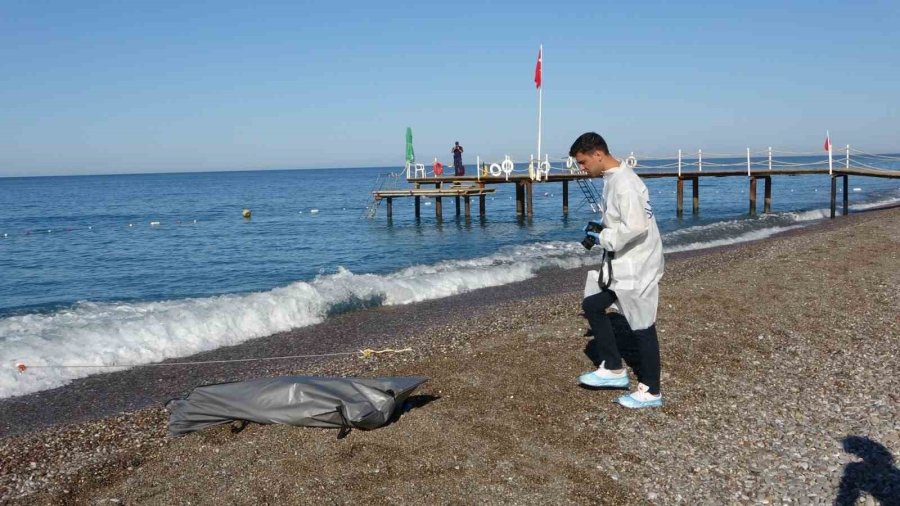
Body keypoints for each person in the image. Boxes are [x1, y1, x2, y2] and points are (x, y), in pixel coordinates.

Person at [570, 132, 665, 409]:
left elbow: (636, 227)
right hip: (620, 263)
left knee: (642, 325)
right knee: (592, 304)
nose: (582, 168)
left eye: (583, 162)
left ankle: (651, 390)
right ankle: (613, 369)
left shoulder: (626, 183)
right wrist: (602, 229)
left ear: (598, 154)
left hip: (637, 264)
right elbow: (620, 218)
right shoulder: (613, 179)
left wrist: (604, 238)